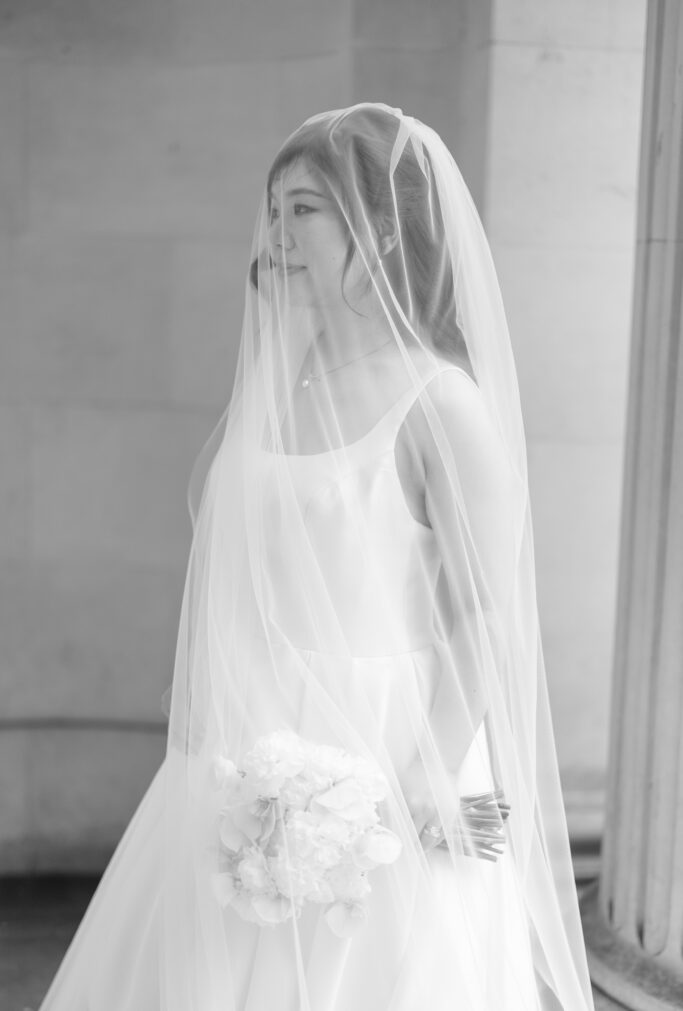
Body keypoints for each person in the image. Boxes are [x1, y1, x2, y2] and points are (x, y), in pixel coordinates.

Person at [38, 102, 595, 1010]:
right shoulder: (278, 380)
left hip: (394, 747)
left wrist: (425, 779)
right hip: (244, 747)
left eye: (305, 207)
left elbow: (479, 610)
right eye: (273, 207)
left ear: (375, 225)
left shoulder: (440, 401)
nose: (277, 230)